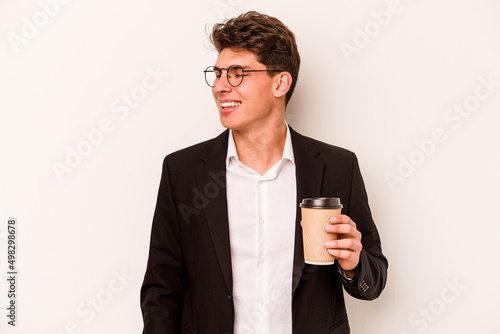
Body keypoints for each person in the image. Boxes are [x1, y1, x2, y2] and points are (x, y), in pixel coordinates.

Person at [140, 11, 388, 334]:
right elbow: (161, 291)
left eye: (236, 73)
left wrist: (355, 265)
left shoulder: (338, 167)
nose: (219, 87)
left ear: (280, 82)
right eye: (217, 74)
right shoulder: (183, 173)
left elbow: (375, 281)